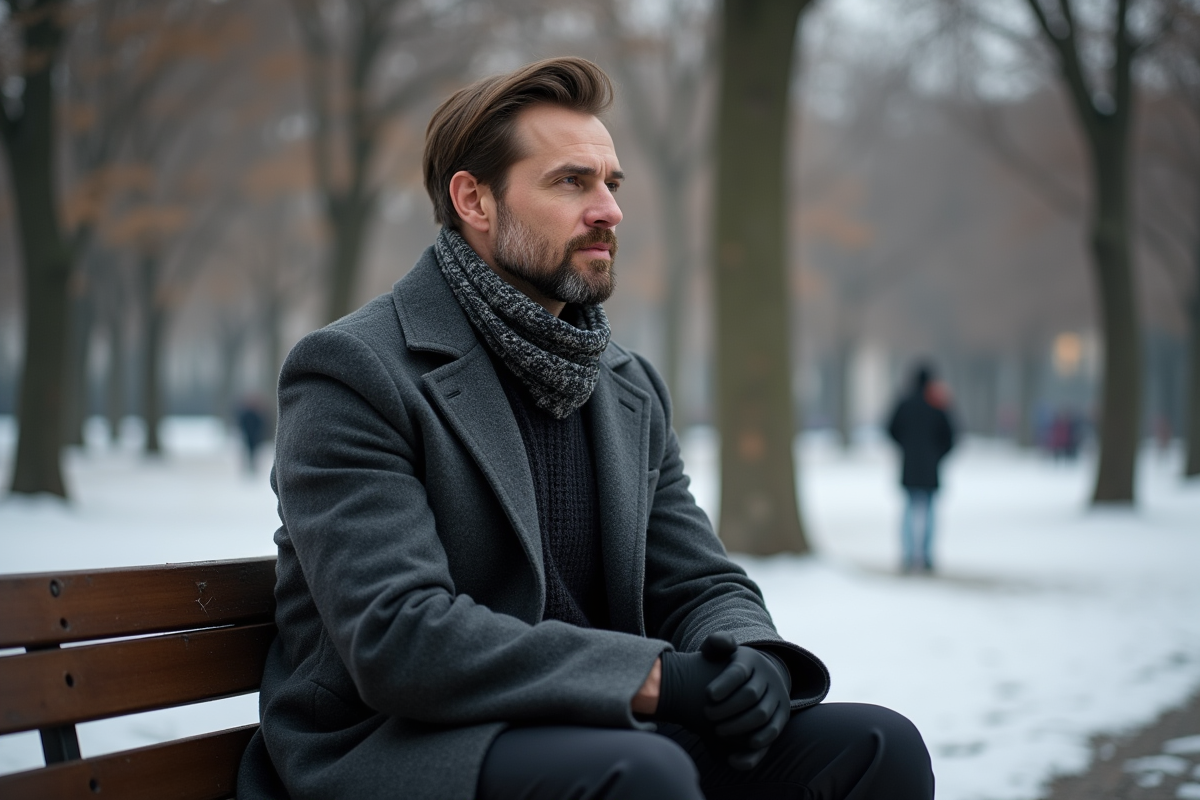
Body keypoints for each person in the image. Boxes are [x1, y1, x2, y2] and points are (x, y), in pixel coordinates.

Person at [237, 58, 934, 800]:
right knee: (643, 776)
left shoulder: (625, 384)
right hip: (404, 744)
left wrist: (752, 656)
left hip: (602, 731)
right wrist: (657, 680)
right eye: (573, 182)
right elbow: (400, 637)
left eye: (612, 184)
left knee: (876, 746)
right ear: (473, 199)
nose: (609, 209)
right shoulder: (355, 371)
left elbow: (698, 580)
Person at [887, 364, 956, 574]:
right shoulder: (937, 404)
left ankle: (908, 555)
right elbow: (950, 436)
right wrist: (937, 455)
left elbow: (891, 429)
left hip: (909, 466)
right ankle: (926, 556)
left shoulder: (904, 404)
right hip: (930, 467)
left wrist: (905, 448)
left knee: (909, 510)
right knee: (929, 511)